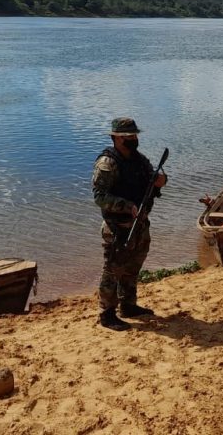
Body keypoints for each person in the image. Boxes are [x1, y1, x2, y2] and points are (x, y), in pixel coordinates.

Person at [92, 117, 167, 331]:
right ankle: (107, 313)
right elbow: (99, 196)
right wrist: (125, 206)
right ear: (115, 138)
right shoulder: (107, 163)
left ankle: (128, 305)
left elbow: (149, 182)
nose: (132, 139)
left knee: (133, 266)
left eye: (134, 135)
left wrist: (160, 181)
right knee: (113, 270)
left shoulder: (139, 159)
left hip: (140, 224)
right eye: (127, 137)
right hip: (117, 227)